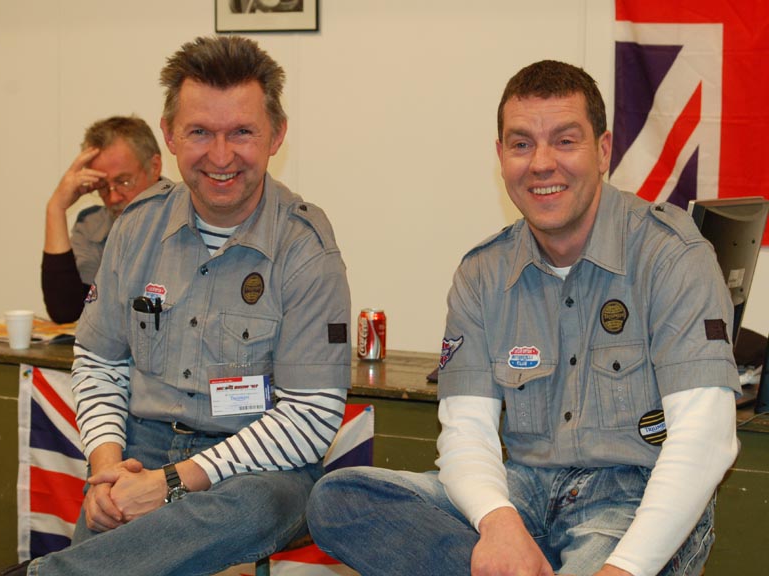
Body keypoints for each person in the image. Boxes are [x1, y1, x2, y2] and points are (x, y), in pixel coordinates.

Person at [306, 60, 740, 576]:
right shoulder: (482, 272)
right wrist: (498, 524)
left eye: (565, 141)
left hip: (632, 499)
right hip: (525, 492)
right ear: (500, 156)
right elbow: (467, 434)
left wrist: (622, 570)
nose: (541, 163)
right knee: (339, 499)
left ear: (603, 150)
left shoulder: (671, 256)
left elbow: (704, 440)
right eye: (521, 144)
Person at [0, 35, 351, 576]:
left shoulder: (306, 247)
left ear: (276, 135)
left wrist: (173, 483)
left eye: (241, 132)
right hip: (141, 451)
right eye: (200, 132)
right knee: (116, 531)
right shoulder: (135, 227)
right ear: (170, 135)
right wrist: (108, 470)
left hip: (258, 465)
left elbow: (311, 416)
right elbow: (99, 362)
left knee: (252, 506)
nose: (220, 156)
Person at [41, 116, 164, 323]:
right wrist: (56, 208)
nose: (113, 198)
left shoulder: (190, 216)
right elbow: (66, 312)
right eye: (103, 186)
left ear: (154, 166)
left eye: (123, 181)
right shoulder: (93, 224)